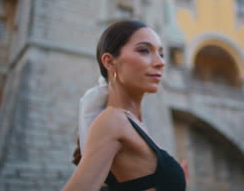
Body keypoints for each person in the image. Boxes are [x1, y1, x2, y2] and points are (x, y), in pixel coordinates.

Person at [63, 20, 187, 191]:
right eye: (144, 50)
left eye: (161, 54)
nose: (160, 63)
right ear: (109, 62)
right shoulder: (113, 121)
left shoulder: (133, 122)